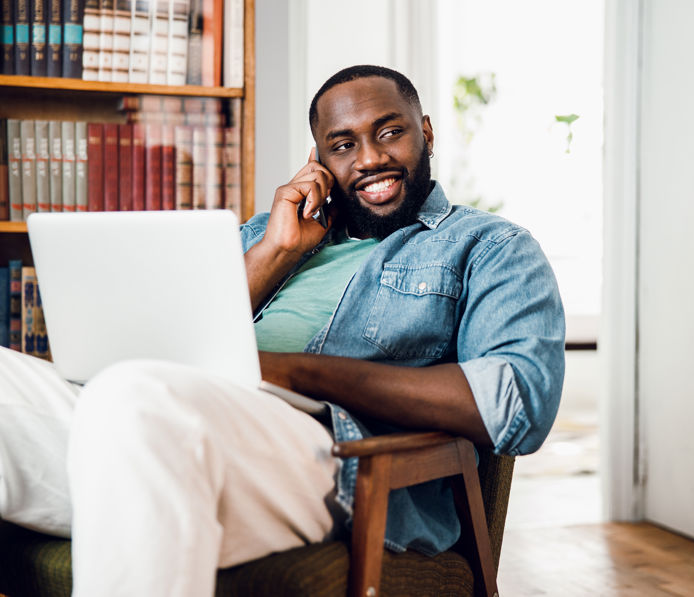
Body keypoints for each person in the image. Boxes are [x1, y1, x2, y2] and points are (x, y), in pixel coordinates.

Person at [0, 65, 565, 597]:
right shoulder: (266, 236)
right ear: (316, 160)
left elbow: (514, 402)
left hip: (336, 455)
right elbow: (148, 354)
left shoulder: (489, 247)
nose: (370, 158)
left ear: (426, 133)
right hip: (162, 425)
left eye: (389, 133)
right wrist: (274, 252)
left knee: (134, 394)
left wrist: (285, 371)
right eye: (343, 145)